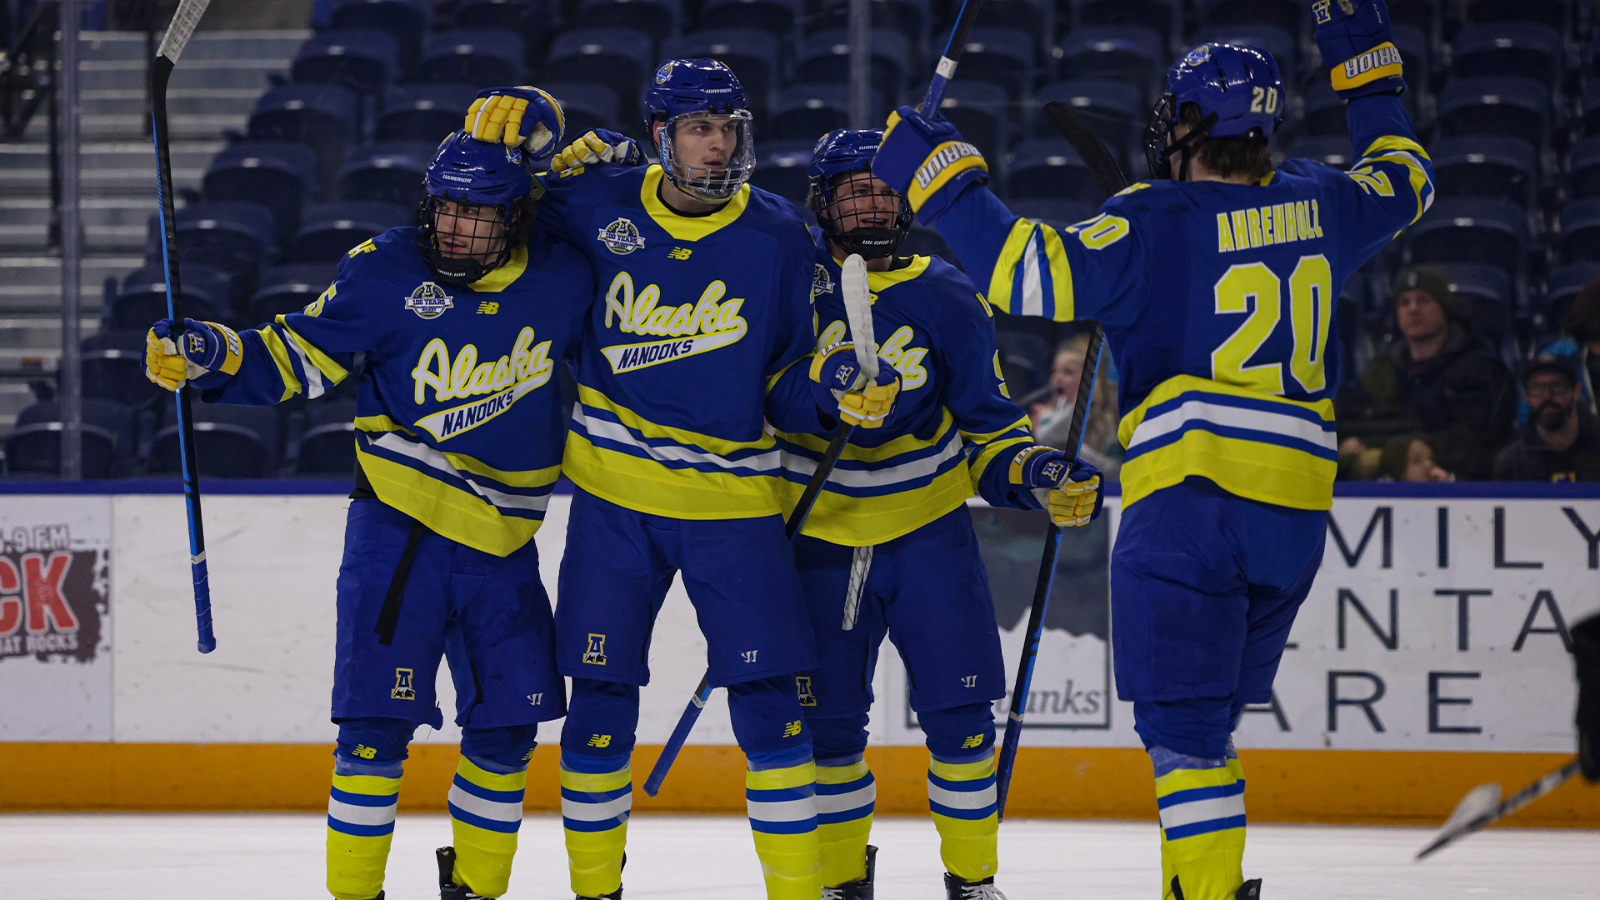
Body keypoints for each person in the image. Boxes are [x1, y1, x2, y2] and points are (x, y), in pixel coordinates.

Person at [872, 2, 1434, 897]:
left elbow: (1027, 270)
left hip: (1191, 502)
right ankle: (1199, 883)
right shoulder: (1322, 200)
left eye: (1174, 114)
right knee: (1206, 728)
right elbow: (1407, 176)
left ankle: (1207, 893)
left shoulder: (1152, 215)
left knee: (1184, 736)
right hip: (1294, 518)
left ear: (1193, 124)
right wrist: (1358, 50)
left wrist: (941, 177)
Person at [462, 62, 897, 900]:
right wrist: (523, 134)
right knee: (597, 708)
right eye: (701, 128)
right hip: (614, 507)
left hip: (736, 509)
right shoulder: (594, 204)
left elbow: (787, 379)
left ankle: (797, 890)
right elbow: (484, 218)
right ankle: (596, 889)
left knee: (773, 711)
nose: (720, 144)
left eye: (729, 128)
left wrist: (838, 394)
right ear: (661, 134)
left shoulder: (777, 236)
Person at [144, 119, 596, 900]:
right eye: (445, 207)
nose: (453, 227)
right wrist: (214, 353)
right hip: (397, 531)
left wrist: (603, 149)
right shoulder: (385, 269)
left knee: (507, 732)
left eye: (478, 211)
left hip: (504, 544)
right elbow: (297, 355)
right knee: (370, 737)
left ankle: (478, 890)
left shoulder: (564, 274)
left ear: (516, 215)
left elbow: (637, 221)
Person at [764, 128, 1103, 900]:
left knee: (962, 720)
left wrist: (1037, 472)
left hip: (928, 538)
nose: (874, 201)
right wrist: (823, 392)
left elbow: (990, 428)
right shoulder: (787, 281)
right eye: (855, 189)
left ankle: (973, 880)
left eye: (885, 187)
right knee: (830, 733)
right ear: (823, 203)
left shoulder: (949, 293)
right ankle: (842, 881)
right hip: (816, 539)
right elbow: (760, 394)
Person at [1335, 265, 1513, 480]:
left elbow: (1478, 439)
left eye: (1423, 300)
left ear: (1444, 308)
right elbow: (1351, 420)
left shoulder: (1478, 368)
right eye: (1404, 302)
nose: (1413, 309)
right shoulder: (1381, 370)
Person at [1028, 333, 1123, 477]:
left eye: (1068, 372)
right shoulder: (1045, 414)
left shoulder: (1110, 420)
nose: (1056, 379)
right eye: (1055, 371)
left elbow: (1117, 472)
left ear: (1093, 379)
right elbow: (1043, 439)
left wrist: (1076, 451)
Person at [1492, 356, 1600, 481]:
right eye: (1536, 388)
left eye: (1557, 386)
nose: (1547, 396)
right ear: (1526, 396)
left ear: (1576, 392)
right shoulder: (1512, 462)